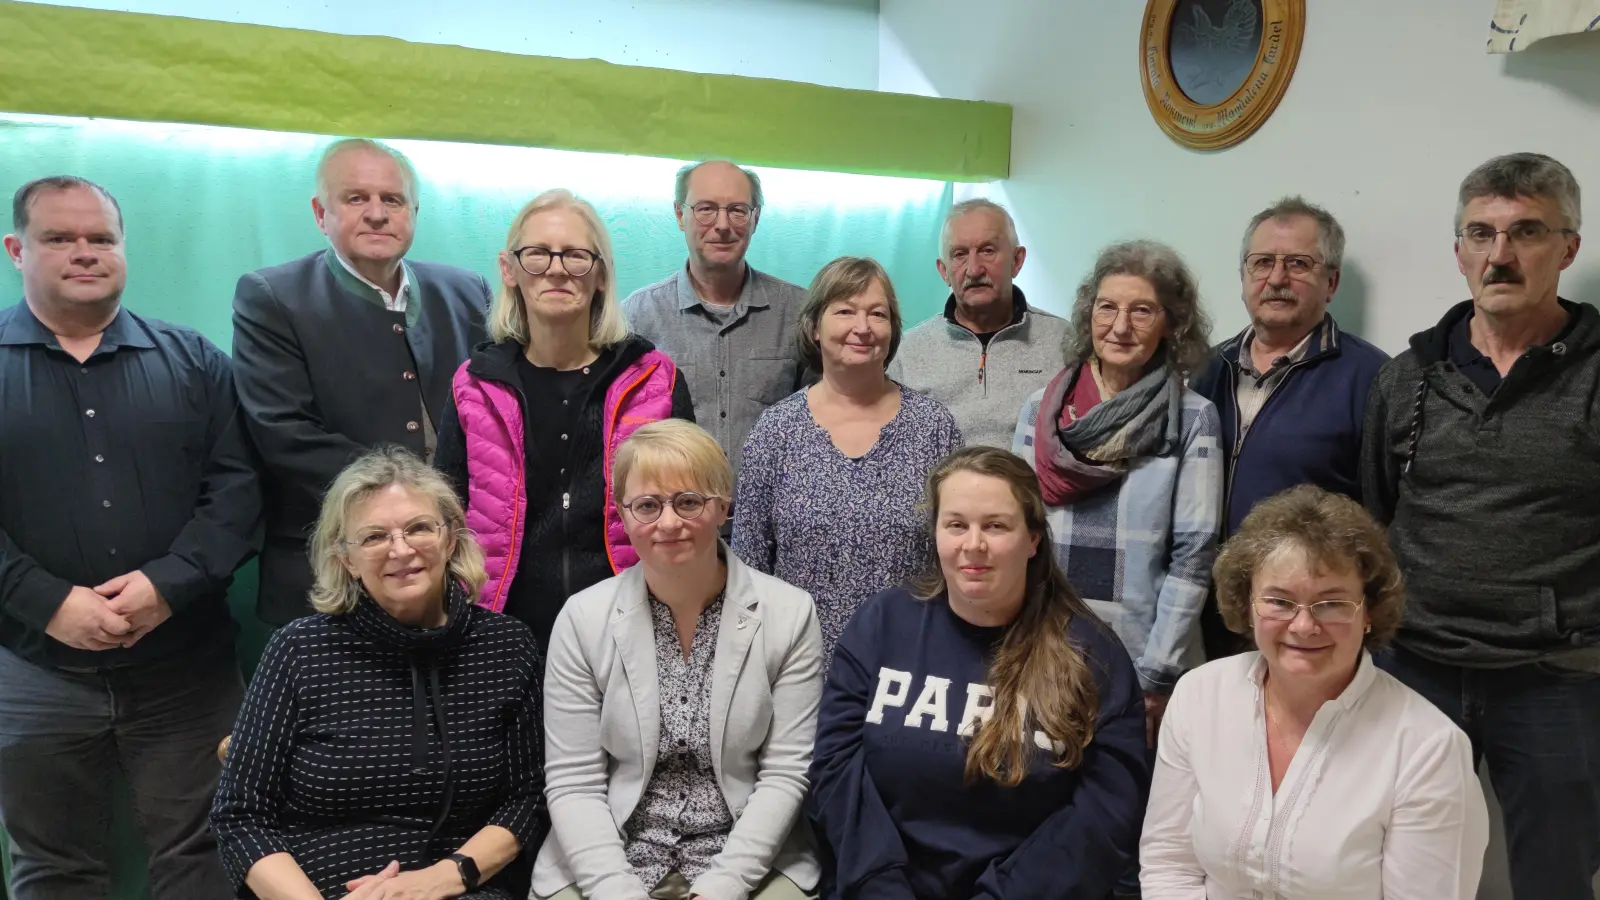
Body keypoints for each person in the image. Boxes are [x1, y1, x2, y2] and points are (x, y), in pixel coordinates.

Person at [0, 176, 262, 898]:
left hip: (187, 670)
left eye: (101, 238)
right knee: (52, 868)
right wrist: (48, 602)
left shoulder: (195, 362)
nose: (84, 253)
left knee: (208, 853)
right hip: (30, 667)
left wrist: (165, 587)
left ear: (123, 249)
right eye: (59, 238)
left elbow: (238, 493)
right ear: (16, 249)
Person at [1362, 152, 1599, 900]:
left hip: (1556, 680)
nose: (1500, 255)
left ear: (1568, 247)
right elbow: (1377, 513)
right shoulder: (1407, 377)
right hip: (1417, 669)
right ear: (1459, 251)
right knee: (1404, 870)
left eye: (1526, 232)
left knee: (1555, 879)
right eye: (1481, 234)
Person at [810, 447, 1148, 900]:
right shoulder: (882, 623)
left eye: (995, 525)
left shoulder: (1092, 655)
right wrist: (881, 887)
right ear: (935, 533)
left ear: (1032, 539)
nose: (973, 545)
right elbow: (835, 766)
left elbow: (1105, 814)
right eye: (956, 525)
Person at [211, 446, 545, 900]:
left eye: (419, 528)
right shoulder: (298, 649)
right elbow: (240, 814)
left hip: (460, 889)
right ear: (346, 559)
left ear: (450, 539)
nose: (401, 550)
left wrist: (440, 879)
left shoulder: (506, 647)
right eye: (373, 537)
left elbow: (529, 797)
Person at [1141, 485, 1488, 899]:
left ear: (1369, 613)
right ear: (1247, 604)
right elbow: (1169, 865)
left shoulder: (1428, 749)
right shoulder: (1200, 696)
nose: (1304, 626)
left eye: (1332, 603)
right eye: (1279, 601)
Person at [534, 420, 823, 900]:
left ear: (723, 506)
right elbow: (573, 782)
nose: (668, 523)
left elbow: (786, 773)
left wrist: (726, 884)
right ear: (623, 517)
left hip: (748, 854)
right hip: (613, 850)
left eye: (688, 502)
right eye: (647, 506)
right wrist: (614, 889)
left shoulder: (789, 614)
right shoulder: (582, 619)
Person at [233, 137, 489, 626]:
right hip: (330, 574)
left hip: (447, 566)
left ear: (413, 211)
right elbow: (283, 433)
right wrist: (410, 499)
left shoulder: (465, 291)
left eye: (392, 200)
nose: (377, 214)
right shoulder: (272, 297)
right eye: (356, 198)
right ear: (320, 213)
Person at [435, 189, 693, 649]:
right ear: (508, 270)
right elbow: (446, 515)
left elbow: (688, 511)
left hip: (632, 628)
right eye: (537, 254)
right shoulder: (474, 386)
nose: (556, 269)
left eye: (575, 255)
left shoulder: (654, 380)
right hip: (502, 632)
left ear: (600, 275)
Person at [1013, 241, 1223, 748]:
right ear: (1088, 316)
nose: (1121, 326)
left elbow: (1194, 556)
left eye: (1143, 311)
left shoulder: (1192, 418)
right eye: (1107, 307)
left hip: (1142, 654)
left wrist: (1156, 674)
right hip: (1047, 645)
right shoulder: (1041, 412)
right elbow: (1016, 534)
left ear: (1173, 325)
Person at [1189, 196, 1388, 658]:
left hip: (1304, 624)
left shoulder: (1373, 379)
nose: (1276, 278)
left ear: (1331, 281)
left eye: (1298, 264)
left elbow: (1385, 518)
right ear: (1243, 276)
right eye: (1262, 263)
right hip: (1205, 614)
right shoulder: (1204, 369)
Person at [732, 257, 961, 657]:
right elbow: (748, 568)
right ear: (814, 327)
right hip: (797, 666)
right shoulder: (775, 432)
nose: (863, 327)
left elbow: (957, 555)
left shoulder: (935, 428)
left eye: (878, 313)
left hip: (911, 665)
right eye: (844, 311)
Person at [622, 160, 807, 478]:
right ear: (680, 215)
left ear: (755, 218)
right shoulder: (637, 318)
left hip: (775, 523)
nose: (722, 224)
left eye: (737, 210)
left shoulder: (799, 313)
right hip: (674, 522)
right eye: (706, 208)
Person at [889, 198, 1068, 448]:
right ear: (944, 271)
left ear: (1017, 261)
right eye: (960, 255)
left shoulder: (1064, 342)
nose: (974, 269)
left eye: (988, 250)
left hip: (1033, 487)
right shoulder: (907, 352)